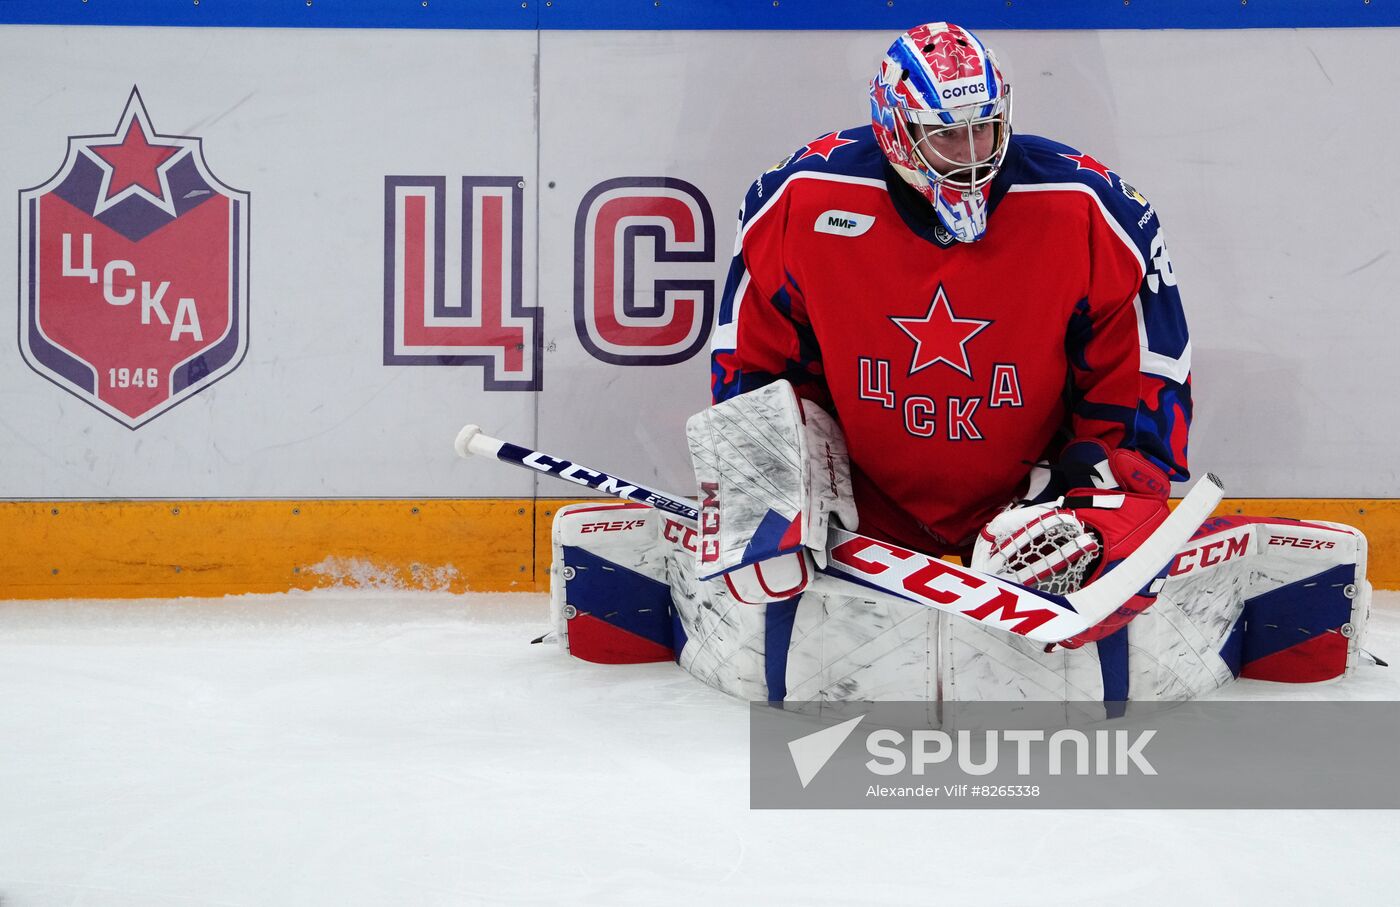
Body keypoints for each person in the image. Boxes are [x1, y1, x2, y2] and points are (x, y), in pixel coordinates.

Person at [707, 21, 1191, 645]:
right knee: (783, 634)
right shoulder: (799, 197)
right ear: (896, 131)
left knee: (1102, 634)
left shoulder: (1092, 207)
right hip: (859, 506)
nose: (971, 153)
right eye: (945, 135)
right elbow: (754, 358)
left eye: (982, 128)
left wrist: (1111, 485)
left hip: (1034, 503)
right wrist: (765, 480)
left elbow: (1145, 365)